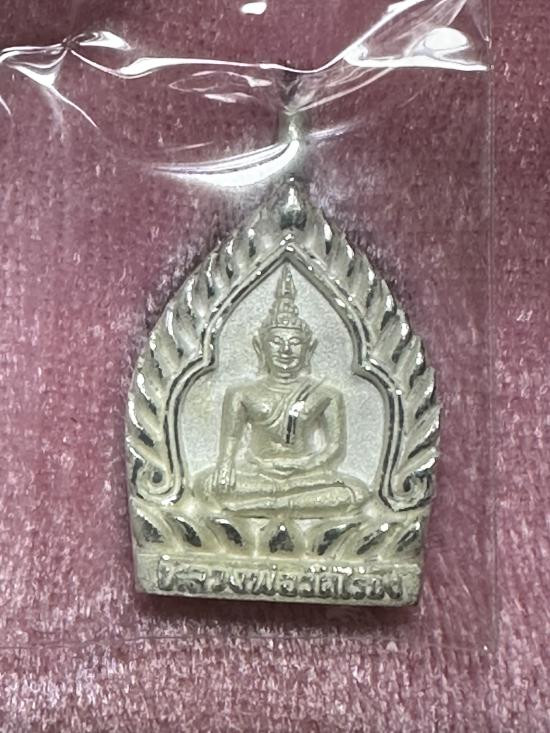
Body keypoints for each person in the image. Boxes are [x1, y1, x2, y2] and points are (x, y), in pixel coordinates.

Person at [197, 265, 369, 517]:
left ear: (309, 349)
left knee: (357, 492)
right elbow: (231, 441)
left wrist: (305, 466)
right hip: (257, 472)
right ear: (260, 347)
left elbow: (334, 447)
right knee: (205, 485)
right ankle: (282, 504)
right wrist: (226, 467)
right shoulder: (242, 394)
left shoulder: (326, 395)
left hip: (305, 475)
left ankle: (258, 507)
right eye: (276, 342)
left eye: (295, 342)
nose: (285, 350)